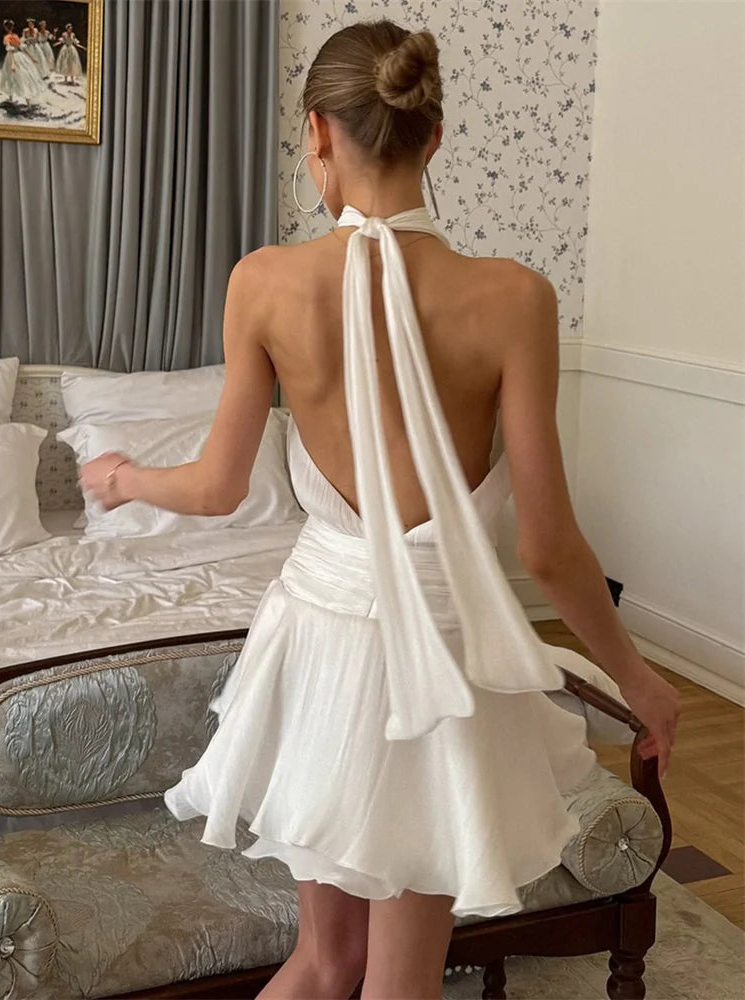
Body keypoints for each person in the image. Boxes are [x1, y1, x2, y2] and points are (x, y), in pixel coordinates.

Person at [78, 18, 680, 1000]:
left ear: (317, 133)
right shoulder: (513, 298)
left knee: (324, 961)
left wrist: (125, 480)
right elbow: (550, 545)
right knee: (399, 983)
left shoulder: (263, 283)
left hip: (318, 636)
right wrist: (639, 679)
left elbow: (219, 487)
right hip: (440, 658)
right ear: (434, 137)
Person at [0, 19, 44, 106]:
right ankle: (13, 98)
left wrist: (12, 63)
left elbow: (11, 50)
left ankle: (26, 101)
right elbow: (22, 48)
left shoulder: (7, 37)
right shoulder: (15, 36)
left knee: (17, 77)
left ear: (5, 28)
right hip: (19, 56)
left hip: (12, 57)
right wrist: (31, 57)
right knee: (17, 76)